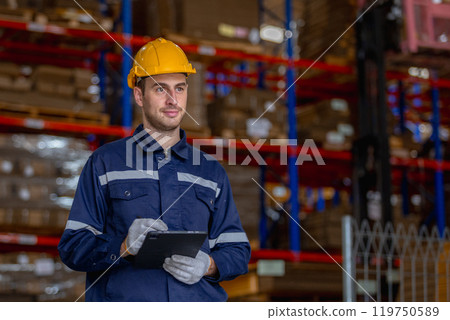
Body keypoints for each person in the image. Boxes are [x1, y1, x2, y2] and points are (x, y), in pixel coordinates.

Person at [58, 38, 251, 301]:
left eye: (180, 88)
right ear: (139, 95)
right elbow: (73, 247)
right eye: (161, 89)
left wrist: (208, 265)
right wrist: (124, 247)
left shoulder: (210, 172)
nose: (173, 99)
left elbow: (237, 250)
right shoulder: (105, 163)